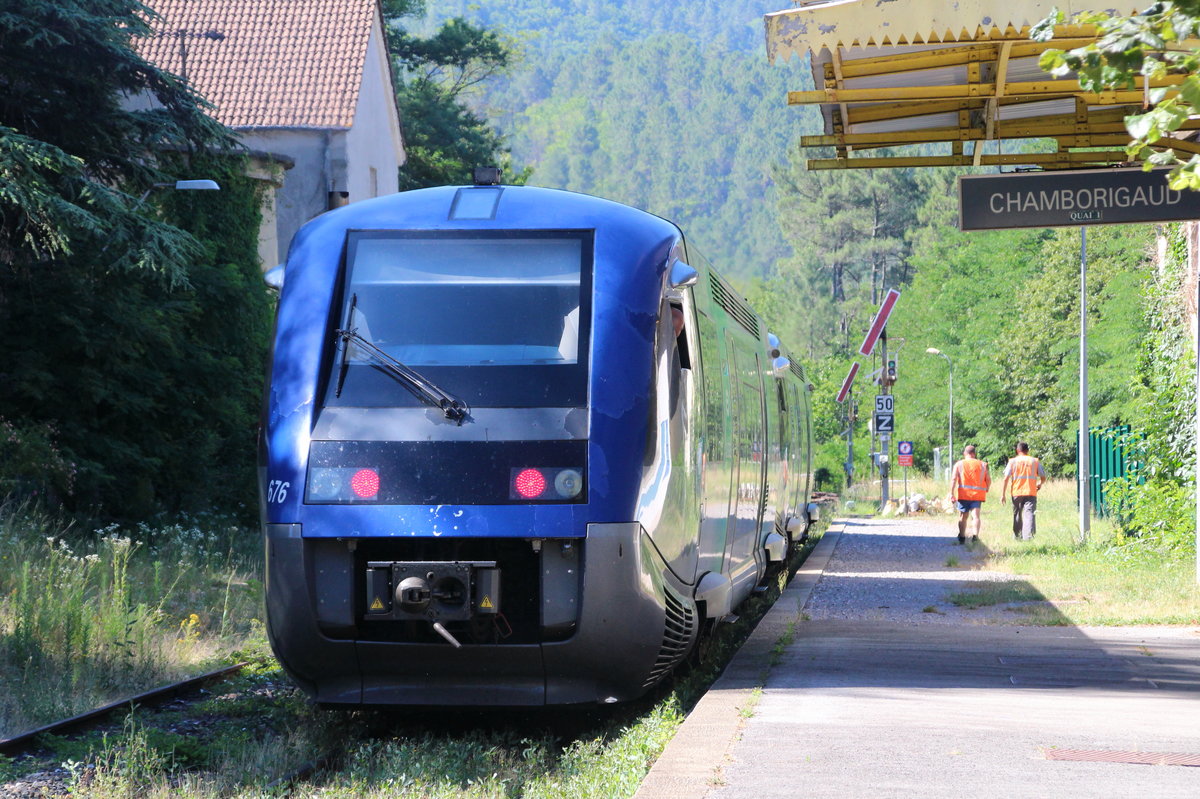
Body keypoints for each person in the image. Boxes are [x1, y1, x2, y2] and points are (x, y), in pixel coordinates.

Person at [1000, 441, 1045, 540]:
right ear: (1027, 450)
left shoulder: (1012, 461)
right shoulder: (1034, 461)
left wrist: (1003, 494)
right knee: (1029, 514)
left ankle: (1017, 535)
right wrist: (1040, 484)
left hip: (1016, 492)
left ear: (1017, 450)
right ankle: (1028, 537)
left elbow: (1006, 478)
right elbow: (1043, 476)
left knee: (1017, 514)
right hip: (1031, 492)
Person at [948, 444, 990, 543]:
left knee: (963, 516)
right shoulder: (983, 464)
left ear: (964, 453)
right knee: (976, 516)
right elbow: (988, 479)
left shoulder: (959, 464)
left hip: (964, 494)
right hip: (978, 494)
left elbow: (954, 479)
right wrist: (987, 488)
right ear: (974, 454)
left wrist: (951, 493)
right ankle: (975, 536)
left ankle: (962, 537)